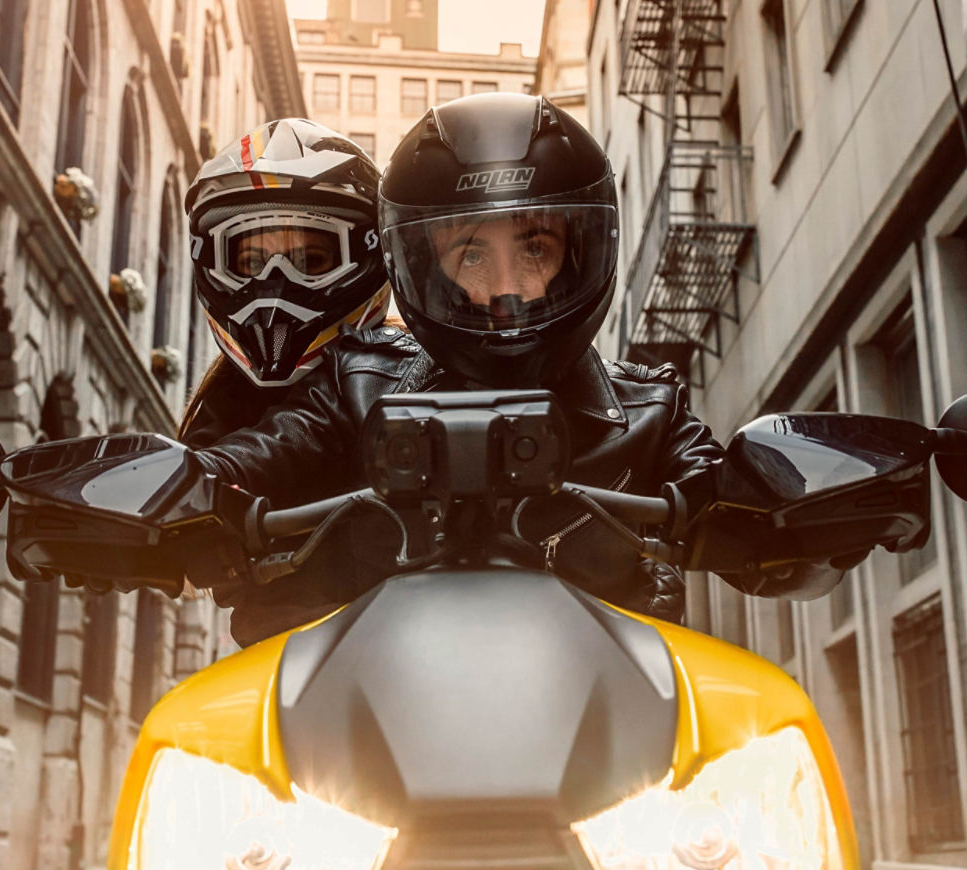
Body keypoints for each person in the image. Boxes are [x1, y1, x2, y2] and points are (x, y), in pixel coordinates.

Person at [186, 92, 846, 616]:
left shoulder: (652, 409)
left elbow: (752, 512)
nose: (505, 288)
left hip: (618, 732)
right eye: (472, 254)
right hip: (362, 731)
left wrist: (799, 516)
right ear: (427, 270)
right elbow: (251, 459)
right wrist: (169, 487)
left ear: (577, 256)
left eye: (534, 249)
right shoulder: (355, 382)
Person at [176, 118, 396, 645]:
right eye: (251, 260)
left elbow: (297, 434)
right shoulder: (220, 405)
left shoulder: (401, 366)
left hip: (409, 655)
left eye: (312, 260)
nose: (276, 283)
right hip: (283, 670)